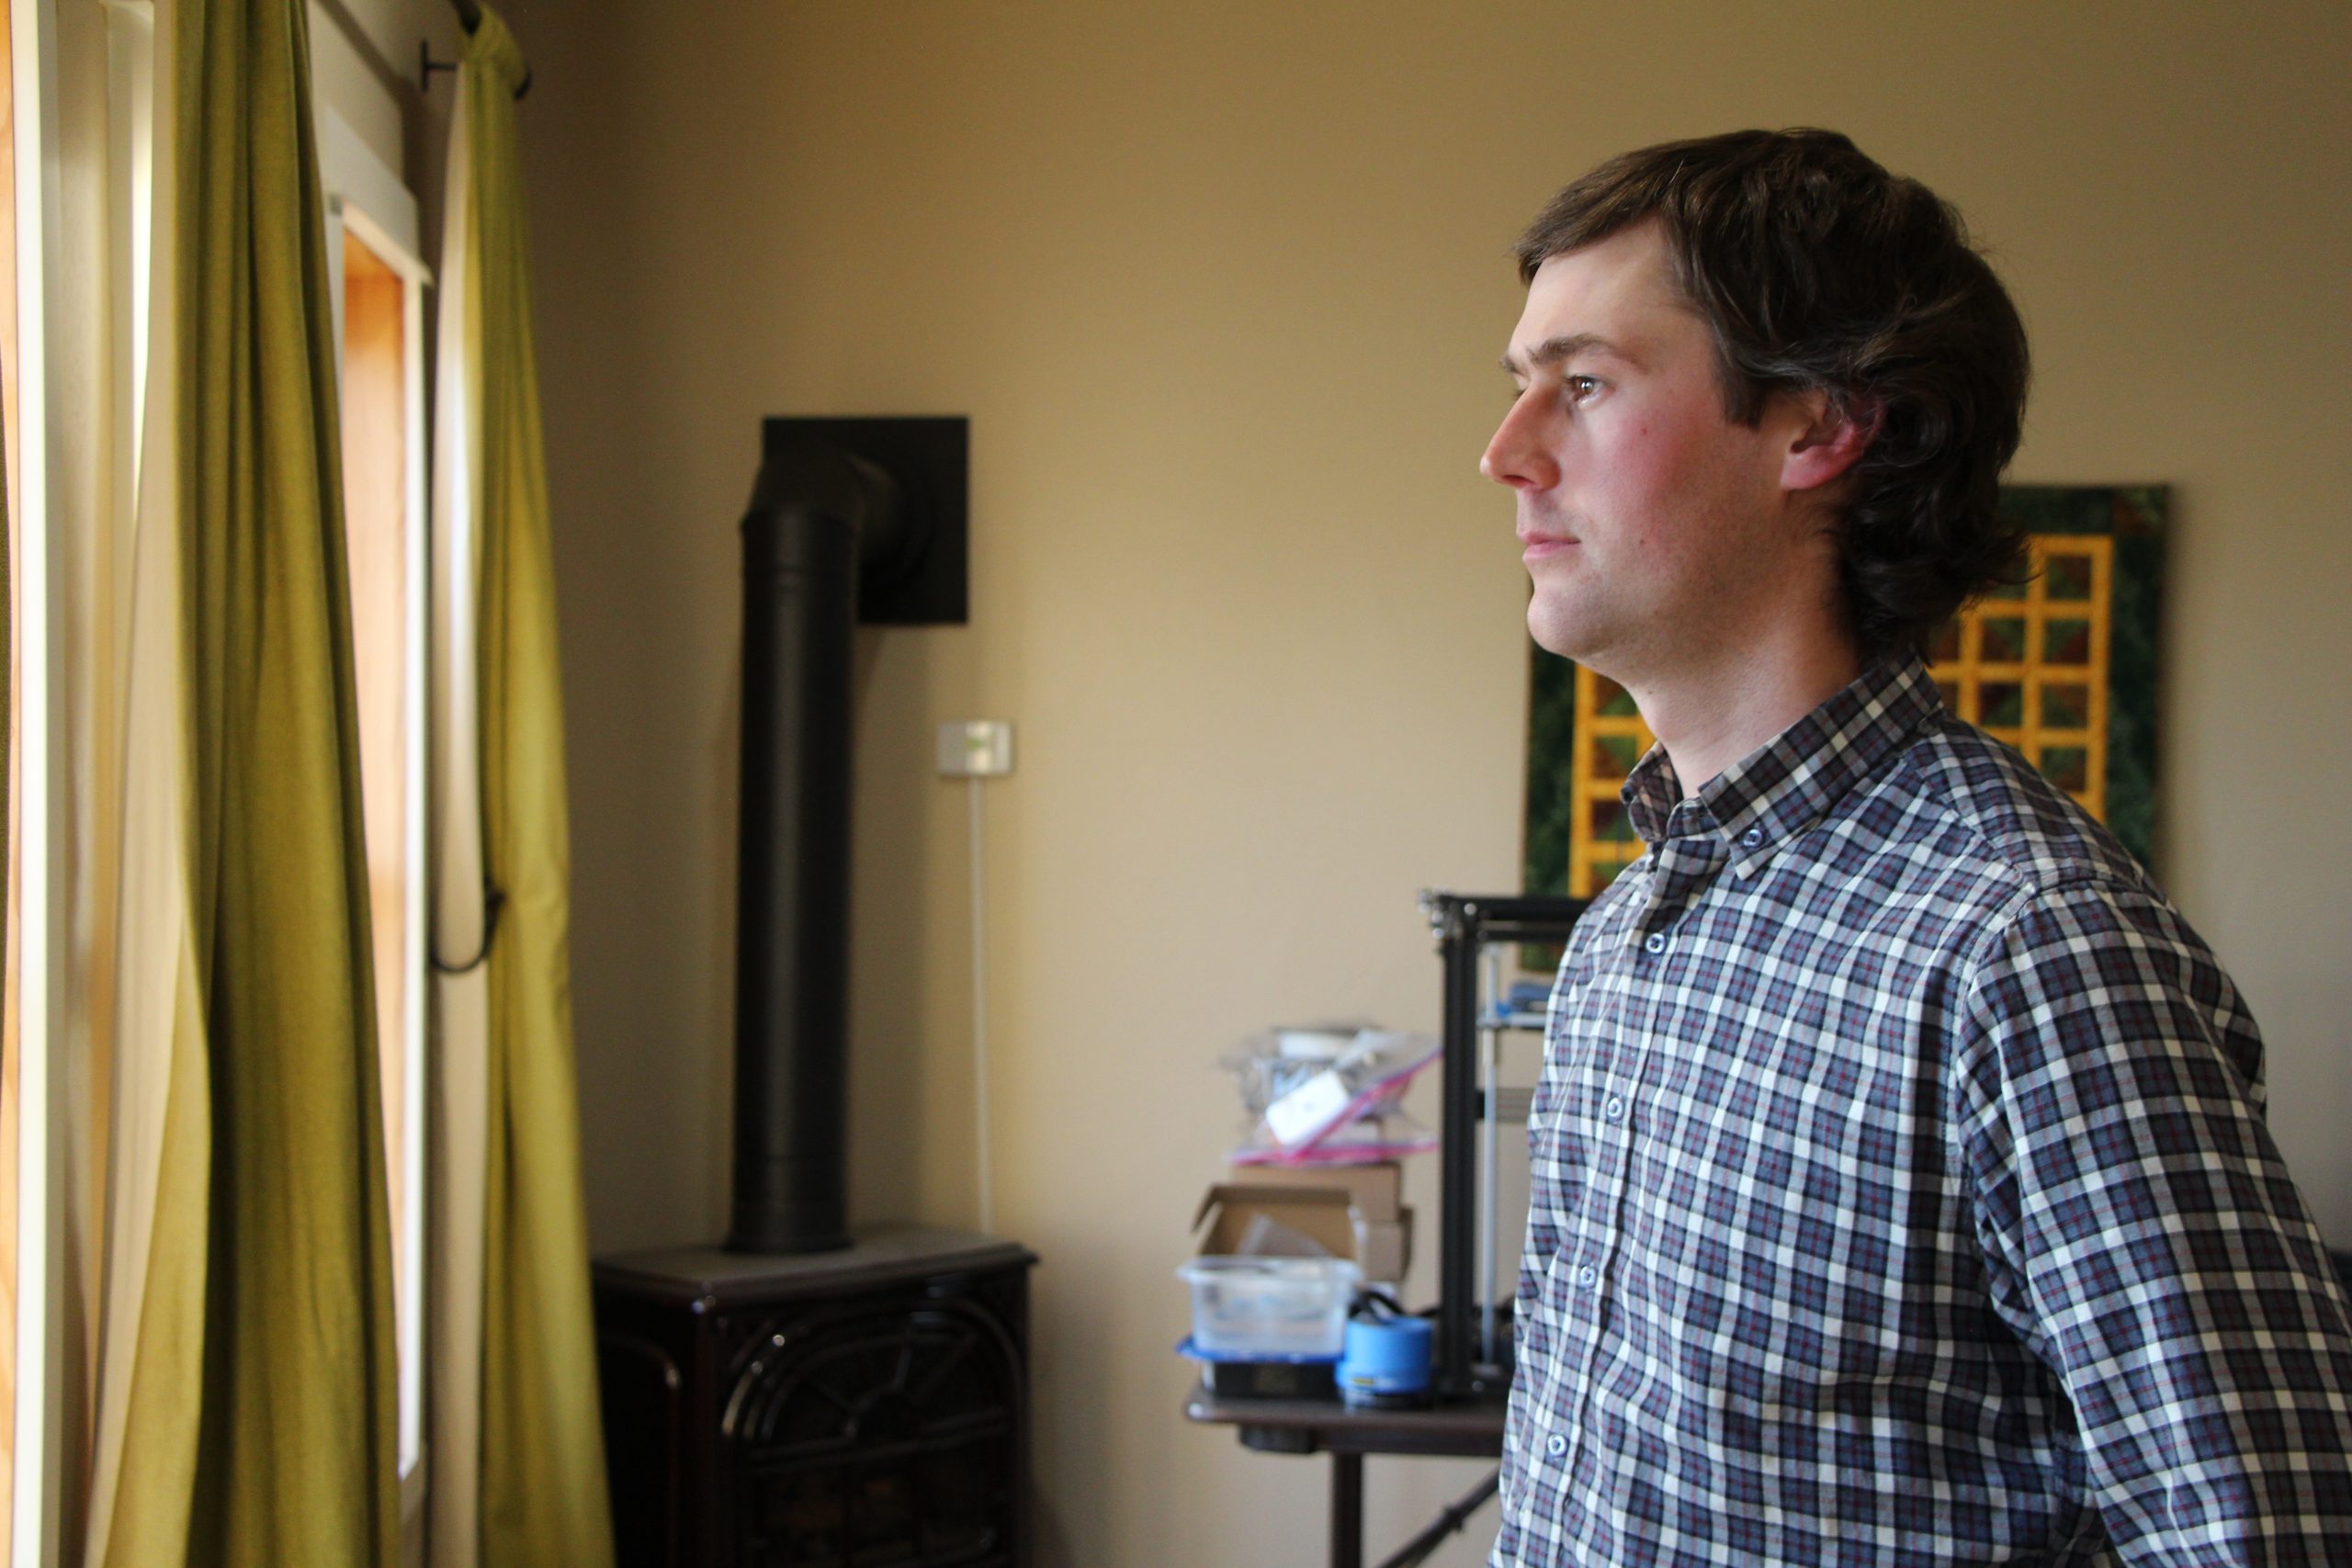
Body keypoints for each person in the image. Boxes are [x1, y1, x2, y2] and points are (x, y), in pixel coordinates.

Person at [1481, 128, 2352, 1566]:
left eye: (1583, 384)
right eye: (1519, 385)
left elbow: (2267, 1534)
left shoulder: (2032, 949)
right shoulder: (1628, 933)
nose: (1506, 452)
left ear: (1820, 427)